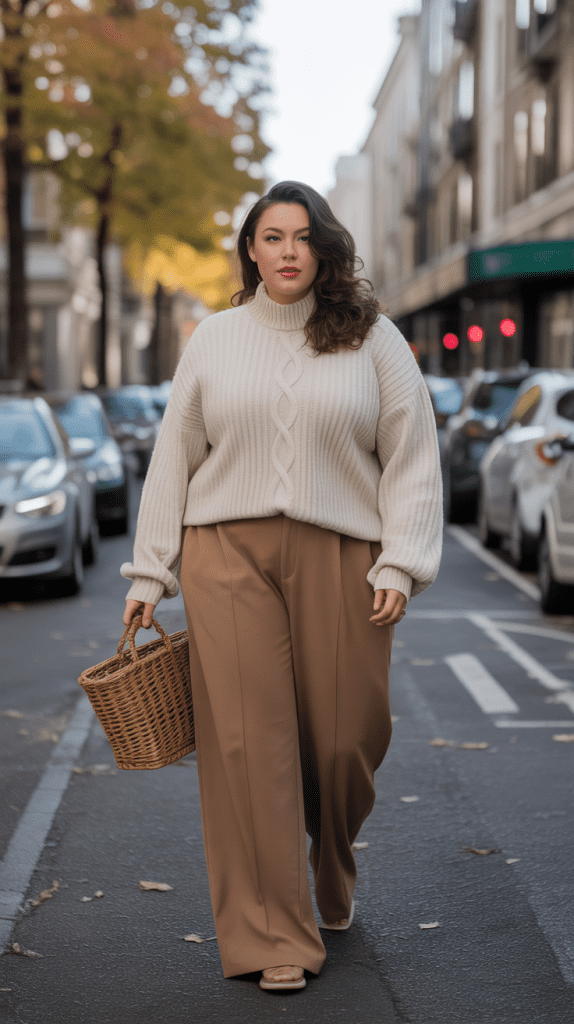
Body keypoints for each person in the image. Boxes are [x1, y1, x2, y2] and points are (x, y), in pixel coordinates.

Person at [121, 180, 443, 992]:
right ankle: (276, 938)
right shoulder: (215, 339)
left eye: (302, 237)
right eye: (271, 237)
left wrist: (400, 560)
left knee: (343, 741)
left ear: (324, 249)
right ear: (252, 251)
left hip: (344, 553)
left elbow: (411, 456)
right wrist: (149, 572)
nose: (288, 251)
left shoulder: (374, 340)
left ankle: (331, 857)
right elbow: (174, 457)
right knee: (246, 746)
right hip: (223, 552)